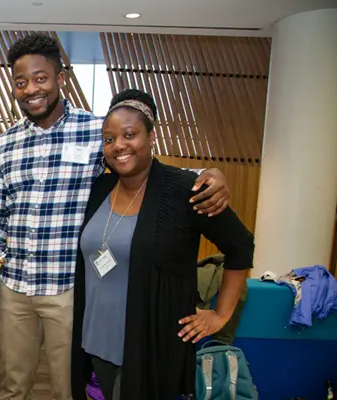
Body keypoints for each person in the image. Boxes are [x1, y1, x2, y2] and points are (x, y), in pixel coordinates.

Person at [0, 33, 231, 400]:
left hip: (70, 289)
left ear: (60, 78)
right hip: (15, 287)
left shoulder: (97, 133)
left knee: (68, 388)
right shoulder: (4, 145)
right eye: (21, 81)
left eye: (41, 78)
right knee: (13, 386)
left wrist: (210, 173)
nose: (31, 88)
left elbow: (148, 166)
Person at [69, 89, 254, 400]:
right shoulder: (100, 187)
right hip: (96, 340)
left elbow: (240, 245)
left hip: (150, 346)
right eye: (109, 139)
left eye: (130, 134)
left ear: (151, 136)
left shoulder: (185, 190)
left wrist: (220, 315)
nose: (119, 146)